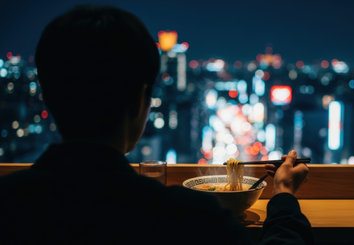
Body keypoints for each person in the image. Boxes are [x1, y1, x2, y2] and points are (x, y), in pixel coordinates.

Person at [0, 6, 313, 244]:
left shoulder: (10, 206)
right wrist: (283, 192)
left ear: (46, 97)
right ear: (140, 101)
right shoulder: (187, 218)